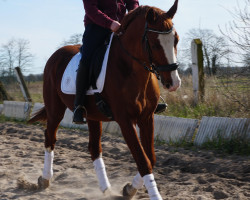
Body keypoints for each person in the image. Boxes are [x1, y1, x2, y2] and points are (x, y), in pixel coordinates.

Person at [73, 0, 140, 124]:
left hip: (122, 26)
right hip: (96, 27)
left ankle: (148, 98)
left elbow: (132, 2)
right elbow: (91, 9)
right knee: (87, 58)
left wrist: (131, 14)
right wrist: (110, 23)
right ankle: (78, 106)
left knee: (141, 51)